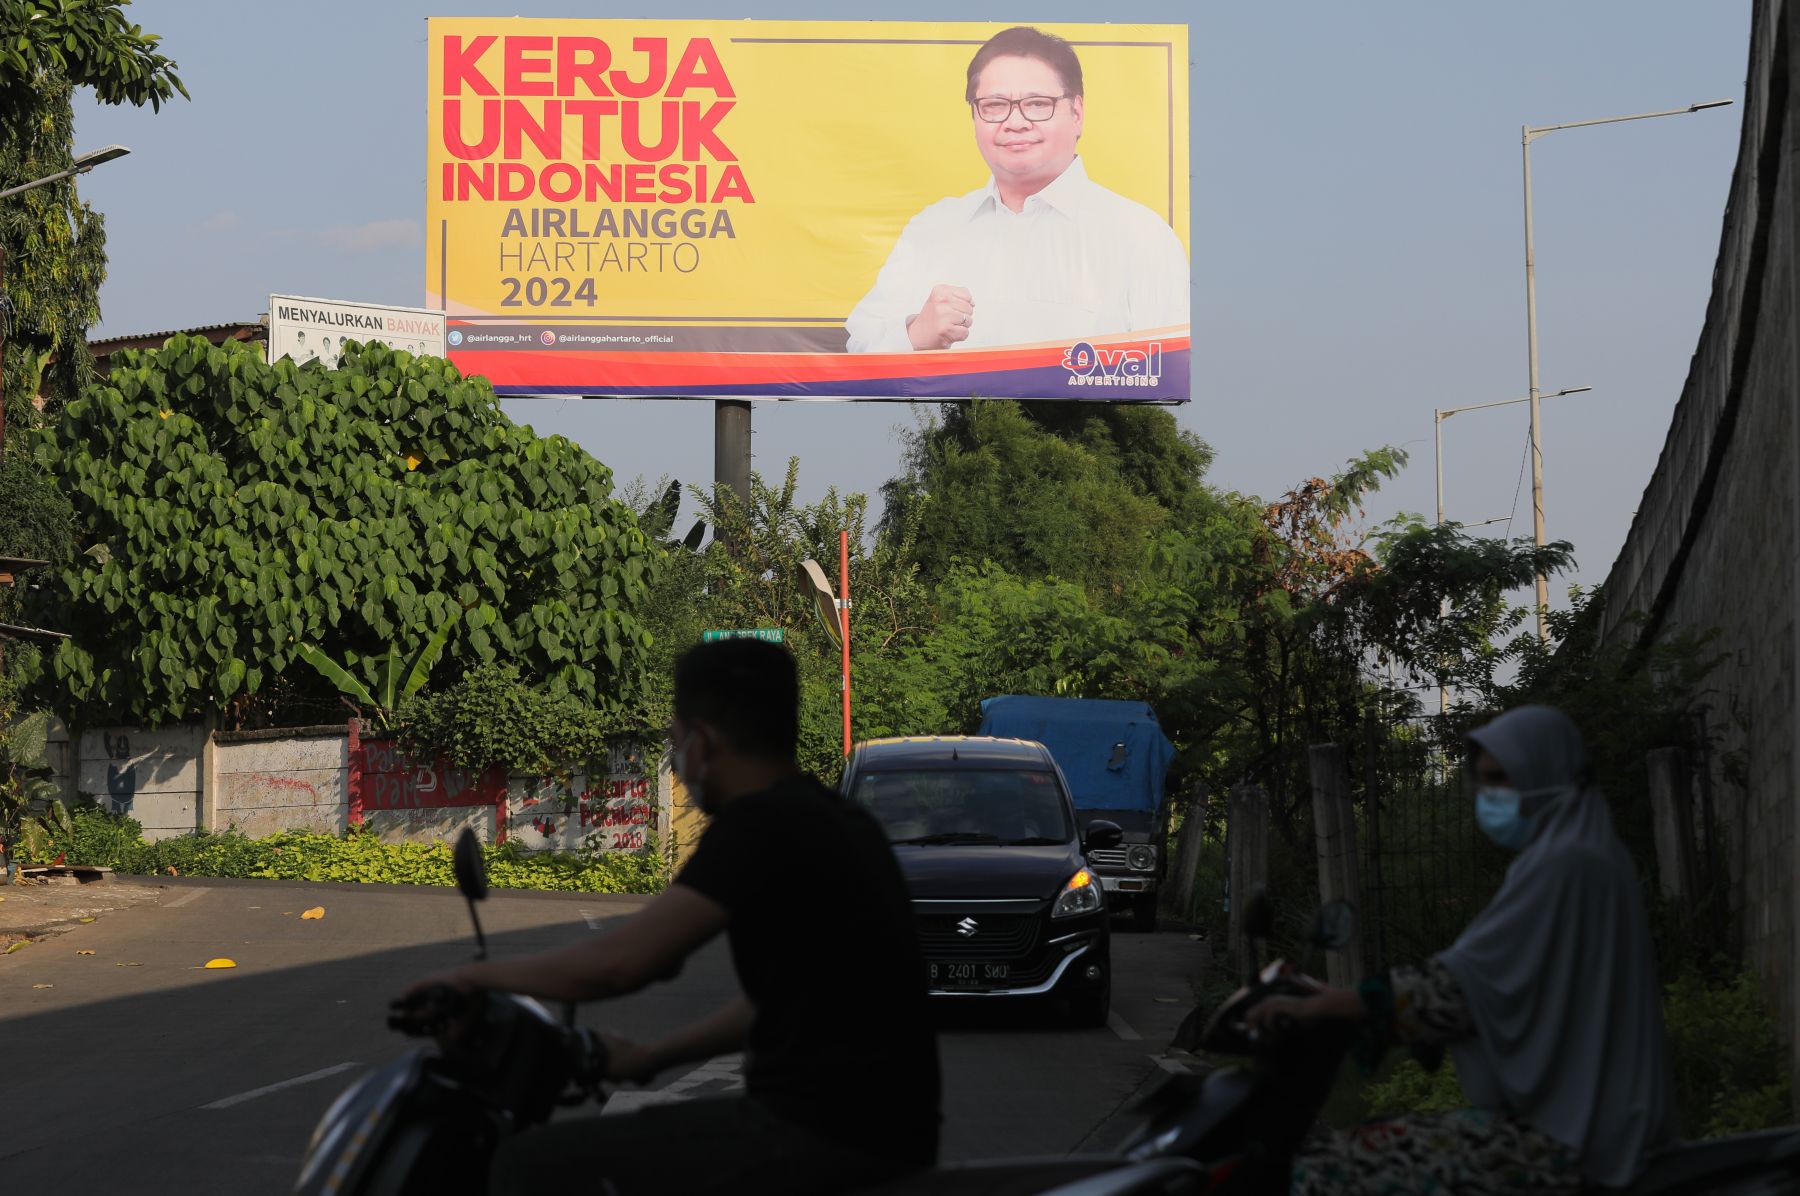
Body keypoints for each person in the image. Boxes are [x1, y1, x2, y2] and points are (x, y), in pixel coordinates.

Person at [408, 639, 941, 1196]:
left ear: (703, 742)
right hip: (881, 1131)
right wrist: (651, 1056)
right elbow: (778, 1004)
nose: (679, 763)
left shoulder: (760, 825)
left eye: (675, 741)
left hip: (820, 1133)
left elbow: (619, 964)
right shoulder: (838, 819)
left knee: (527, 1165)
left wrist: (468, 977)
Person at [1246, 705, 1676, 1194]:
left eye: (1502, 779)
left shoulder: (1565, 865)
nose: (1489, 795)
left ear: (1546, 773)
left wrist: (1321, 1007)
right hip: (1589, 1117)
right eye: (1484, 780)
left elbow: (1459, 988)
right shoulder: (1589, 853)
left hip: (1571, 1137)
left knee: (1324, 1172)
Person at [843, 26, 1188, 354]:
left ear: (1077, 112)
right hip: (958, 418)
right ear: (975, 116)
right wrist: (916, 334)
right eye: (994, 105)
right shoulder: (932, 227)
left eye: (1038, 103)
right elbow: (859, 345)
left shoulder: (1139, 235)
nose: (1016, 121)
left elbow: (1168, 371)